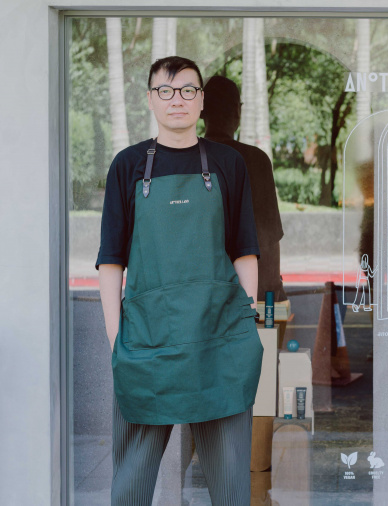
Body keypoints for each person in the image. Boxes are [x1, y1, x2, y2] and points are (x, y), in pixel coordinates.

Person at [97, 56, 263, 505]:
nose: (177, 100)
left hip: (218, 343)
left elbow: (245, 251)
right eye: (166, 91)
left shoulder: (228, 164)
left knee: (231, 484)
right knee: (131, 482)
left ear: (202, 100)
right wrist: (117, 342)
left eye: (188, 90)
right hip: (148, 345)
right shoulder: (128, 165)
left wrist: (244, 324)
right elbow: (111, 262)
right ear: (151, 99)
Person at [202, 75, 286, 302]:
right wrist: (272, 294)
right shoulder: (255, 161)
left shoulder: (186, 160)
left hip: (201, 297)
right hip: (247, 297)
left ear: (201, 111)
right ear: (238, 112)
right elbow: (268, 238)